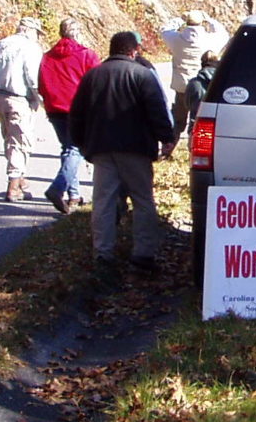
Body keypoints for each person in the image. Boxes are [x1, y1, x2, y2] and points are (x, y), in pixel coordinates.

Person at [69, 31, 178, 272]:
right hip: (136, 148)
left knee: (103, 202)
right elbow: (156, 111)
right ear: (133, 50)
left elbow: (76, 114)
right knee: (142, 200)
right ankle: (143, 254)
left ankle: (103, 254)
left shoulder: (92, 76)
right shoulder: (142, 75)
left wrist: (81, 143)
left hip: (101, 148)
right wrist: (167, 138)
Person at [37, 18, 100, 213]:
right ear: (79, 33)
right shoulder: (86, 55)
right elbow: (97, 84)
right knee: (75, 150)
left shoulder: (47, 57)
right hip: (78, 110)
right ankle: (57, 188)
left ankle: (74, 195)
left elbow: (41, 84)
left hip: (55, 109)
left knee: (68, 149)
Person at [0, 16, 44, 201]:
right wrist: (43, 101)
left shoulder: (0, 45)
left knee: (9, 138)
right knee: (21, 141)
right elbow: (33, 79)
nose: (38, 37)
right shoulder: (31, 48)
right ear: (30, 31)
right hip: (17, 99)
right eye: (37, 34)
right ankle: (14, 187)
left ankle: (20, 178)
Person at [160, 10, 227, 137]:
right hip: (199, 85)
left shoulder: (176, 39)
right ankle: (194, 150)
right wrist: (209, 19)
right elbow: (224, 34)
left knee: (177, 121)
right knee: (197, 121)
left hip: (181, 86)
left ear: (187, 23)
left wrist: (180, 19)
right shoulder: (210, 40)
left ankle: (167, 148)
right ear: (201, 23)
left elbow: (164, 30)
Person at [182, 51, 219, 135]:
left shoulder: (193, 83)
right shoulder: (222, 83)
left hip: (196, 128)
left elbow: (187, 104)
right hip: (218, 129)